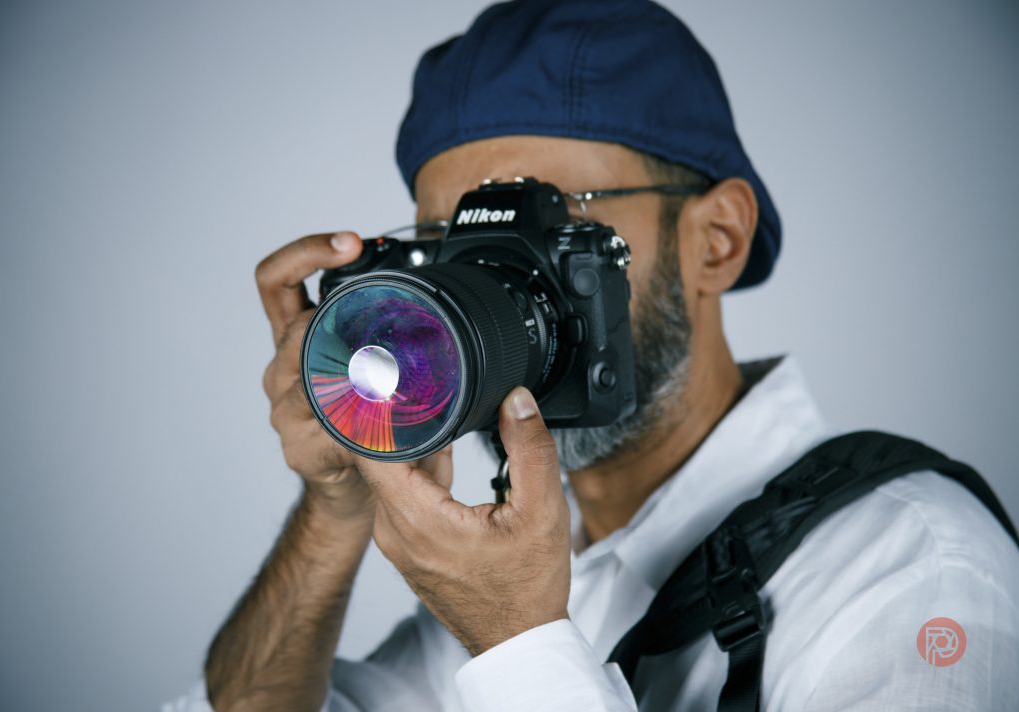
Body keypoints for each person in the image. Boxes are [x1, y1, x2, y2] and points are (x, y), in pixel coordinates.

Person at [166, 1, 1019, 710]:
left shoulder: (910, 571)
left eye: (553, 225)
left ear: (717, 241)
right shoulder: (519, 571)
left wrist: (519, 643)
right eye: (459, 252)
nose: (481, 295)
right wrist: (337, 503)